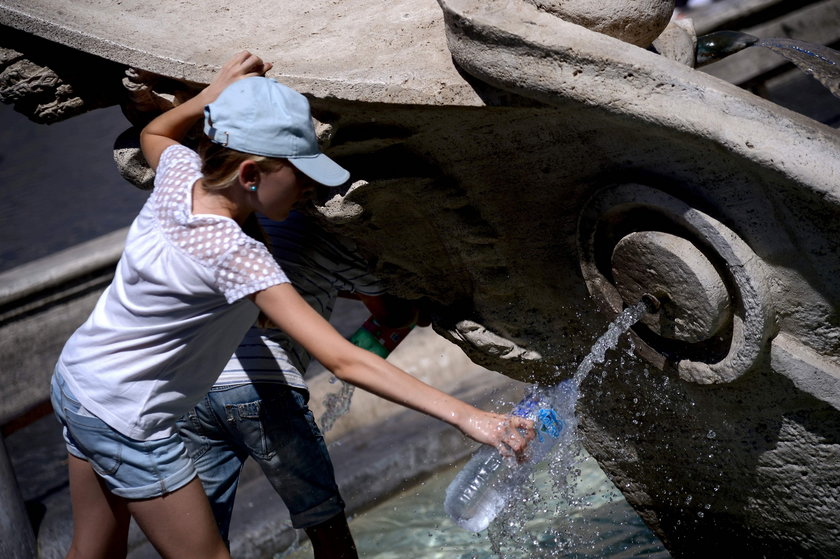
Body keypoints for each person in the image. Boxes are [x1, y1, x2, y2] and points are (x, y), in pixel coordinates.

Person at [50, 50, 534, 559]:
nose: (307, 188)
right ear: (251, 174)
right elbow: (345, 360)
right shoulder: (236, 255)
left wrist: (214, 95)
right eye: (298, 173)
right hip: (127, 415)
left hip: (79, 379)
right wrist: (470, 418)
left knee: (94, 549)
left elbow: (156, 134)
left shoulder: (182, 177)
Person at [177, 209, 417, 558]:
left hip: (194, 386)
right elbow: (393, 313)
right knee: (327, 531)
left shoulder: (238, 222)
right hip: (264, 385)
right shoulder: (330, 232)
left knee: (202, 541)